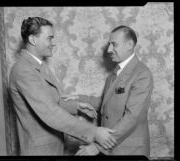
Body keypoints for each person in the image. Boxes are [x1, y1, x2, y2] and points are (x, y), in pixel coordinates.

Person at [8, 17, 116, 155]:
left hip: (53, 146)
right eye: (49, 38)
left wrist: (76, 106)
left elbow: (48, 100)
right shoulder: (24, 70)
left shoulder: (39, 66)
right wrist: (93, 132)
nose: (53, 43)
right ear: (33, 40)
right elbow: (49, 111)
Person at [66, 25, 154, 158]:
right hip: (112, 149)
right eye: (109, 45)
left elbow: (132, 117)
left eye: (114, 44)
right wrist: (78, 98)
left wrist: (98, 146)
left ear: (129, 44)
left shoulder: (142, 74)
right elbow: (106, 102)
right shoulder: (114, 74)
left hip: (129, 150)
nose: (109, 50)